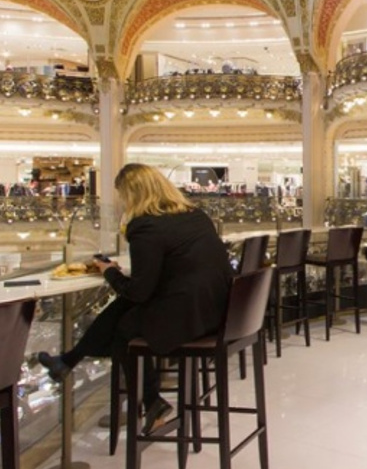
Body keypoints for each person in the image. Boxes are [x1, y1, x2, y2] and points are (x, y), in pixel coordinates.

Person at [37, 163, 232, 434]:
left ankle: (152, 402)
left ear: (133, 194)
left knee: (123, 331)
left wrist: (109, 272)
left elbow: (140, 291)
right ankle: (69, 360)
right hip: (218, 312)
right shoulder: (195, 215)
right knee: (125, 310)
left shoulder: (145, 226)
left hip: (189, 319)